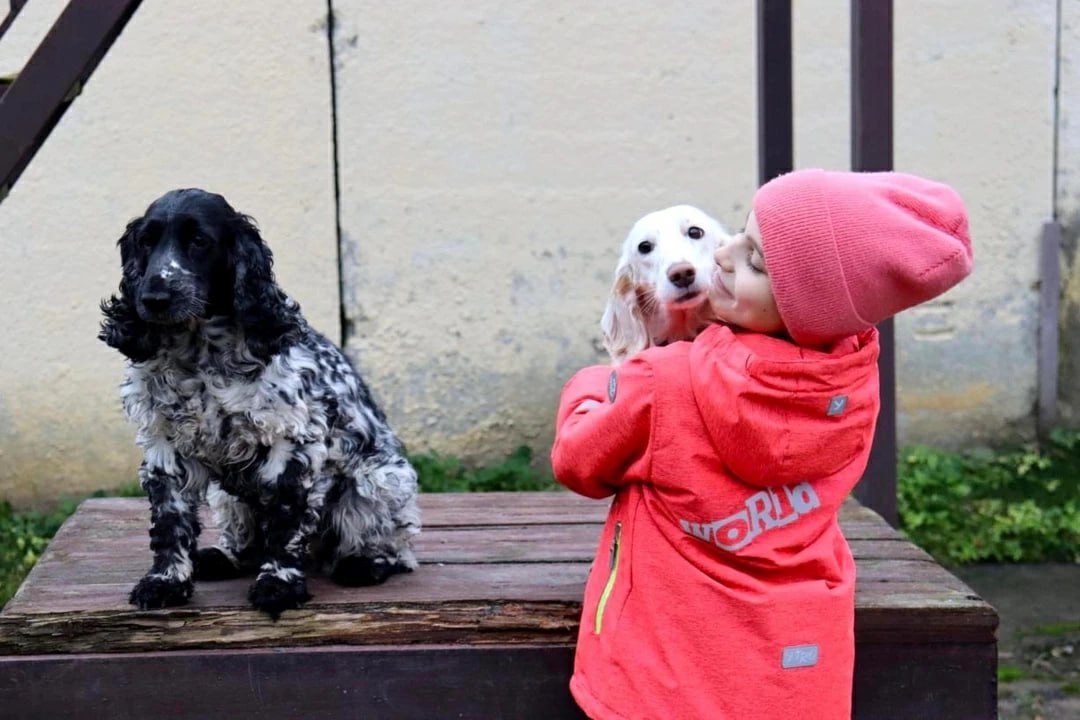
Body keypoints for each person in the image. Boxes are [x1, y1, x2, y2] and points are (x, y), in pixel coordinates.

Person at [550, 169, 974, 720]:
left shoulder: (657, 382)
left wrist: (596, 383)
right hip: (796, 672)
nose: (723, 254)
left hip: (666, 678)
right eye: (740, 237)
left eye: (753, 258)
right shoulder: (852, 383)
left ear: (799, 300)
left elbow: (576, 460)